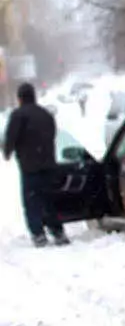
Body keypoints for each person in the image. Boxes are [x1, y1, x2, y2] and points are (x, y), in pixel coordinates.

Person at [3, 83, 68, 247]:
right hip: (48, 165)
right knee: (49, 200)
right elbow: (52, 136)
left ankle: (38, 234)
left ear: (20, 98)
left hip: (29, 167)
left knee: (32, 201)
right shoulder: (46, 114)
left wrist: (7, 152)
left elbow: (11, 138)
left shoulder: (18, 115)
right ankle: (58, 231)